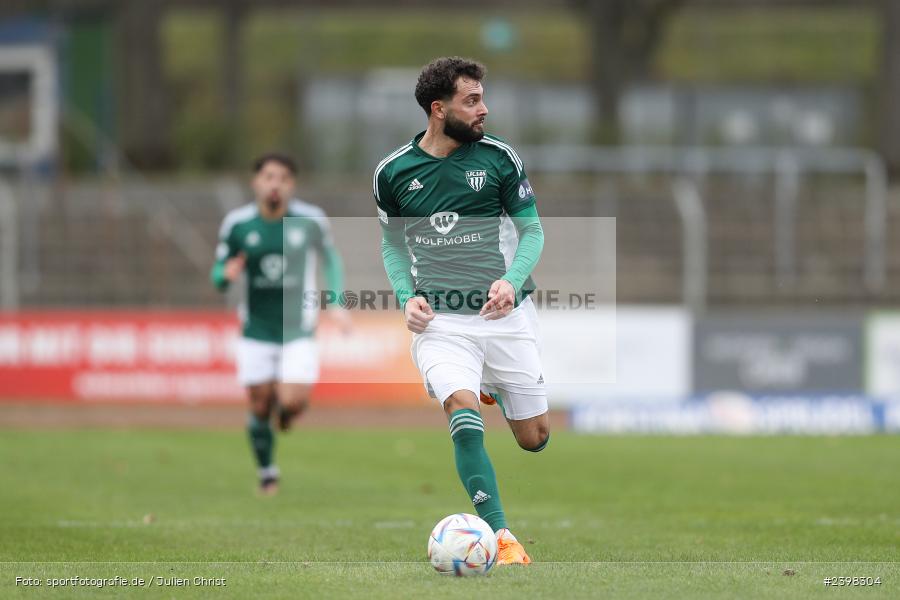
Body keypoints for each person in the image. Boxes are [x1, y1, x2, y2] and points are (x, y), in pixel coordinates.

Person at [373, 57, 548, 564]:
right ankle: (503, 537)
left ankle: (493, 383)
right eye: (472, 101)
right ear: (438, 108)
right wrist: (407, 298)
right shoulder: (393, 173)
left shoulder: (499, 159)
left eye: (482, 99)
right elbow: (392, 246)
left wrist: (511, 283)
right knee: (461, 410)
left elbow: (532, 231)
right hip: (442, 324)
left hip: (504, 316)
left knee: (534, 439)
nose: (484, 110)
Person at [212, 153, 348, 495]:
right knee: (259, 404)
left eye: (283, 178)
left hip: (297, 328)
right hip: (256, 328)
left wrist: (336, 302)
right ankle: (267, 472)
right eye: (269, 177)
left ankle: (286, 413)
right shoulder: (238, 224)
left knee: (290, 401)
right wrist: (224, 276)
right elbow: (219, 272)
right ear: (256, 182)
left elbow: (331, 260)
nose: (275, 184)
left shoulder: (310, 219)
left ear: (292, 184)